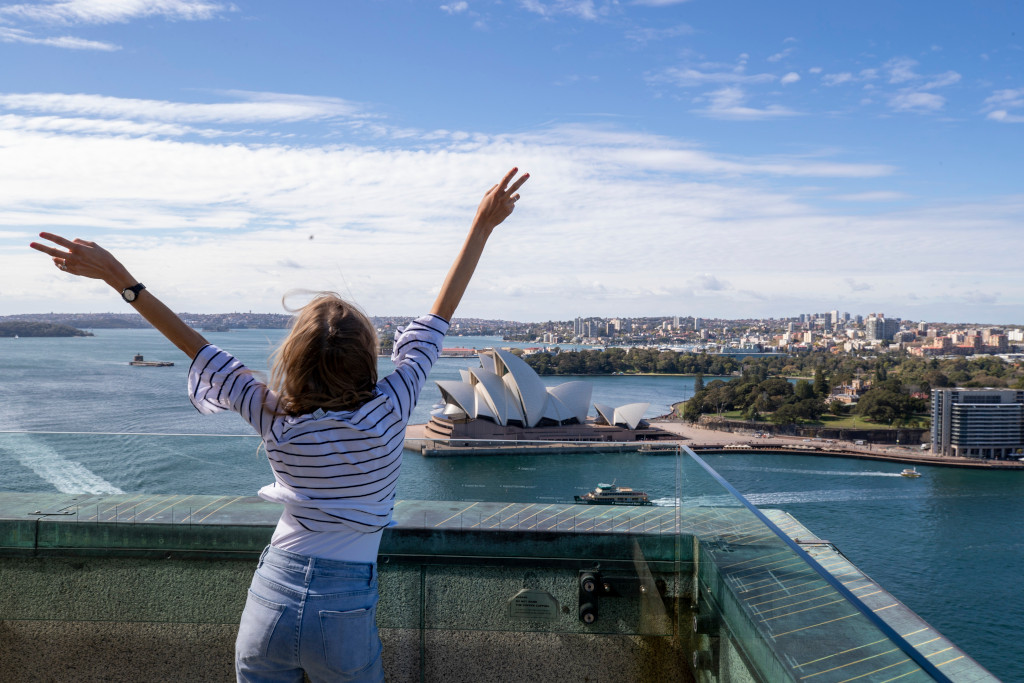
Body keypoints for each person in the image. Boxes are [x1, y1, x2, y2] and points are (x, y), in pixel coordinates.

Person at [30, 167, 529, 683]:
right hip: (345, 606)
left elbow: (195, 345)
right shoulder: (393, 405)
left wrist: (120, 278)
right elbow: (438, 317)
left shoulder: (273, 416)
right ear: (366, 359)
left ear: (294, 358)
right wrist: (481, 224)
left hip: (270, 595)